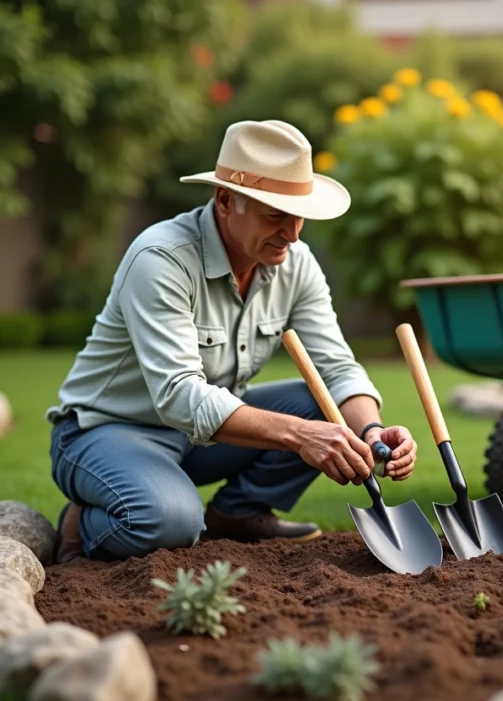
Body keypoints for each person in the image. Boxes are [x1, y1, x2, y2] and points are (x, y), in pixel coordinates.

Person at [46, 119, 417, 563]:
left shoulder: (295, 263)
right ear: (226, 199)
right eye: (275, 214)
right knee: (171, 522)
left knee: (326, 408)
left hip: (201, 440)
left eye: (298, 214)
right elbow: (179, 395)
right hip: (104, 432)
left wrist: (371, 432)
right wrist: (302, 436)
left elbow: (334, 368)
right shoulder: (161, 259)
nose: (294, 233)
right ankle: (81, 521)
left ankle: (237, 513)